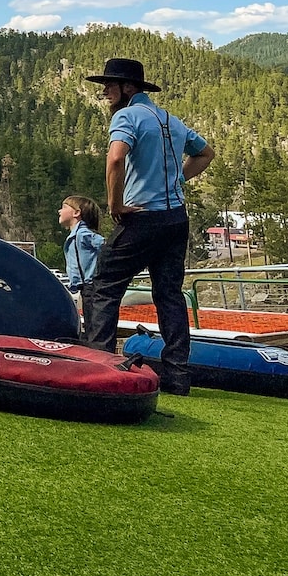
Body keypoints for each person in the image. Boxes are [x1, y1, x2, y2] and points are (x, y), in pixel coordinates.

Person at [81, 58, 214, 395]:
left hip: (141, 217)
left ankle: (98, 368)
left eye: (111, 84)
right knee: (169, 295)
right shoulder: (172, 120)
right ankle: (177, 376)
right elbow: (206, 154)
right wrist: (177, 180)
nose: (106, 91)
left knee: (104, 287)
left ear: (129, 87)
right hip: (176, 218)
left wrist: (115, 204)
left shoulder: (127, 116)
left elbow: (115, 157)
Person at [59, 194, 104, 333]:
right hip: (85, 287)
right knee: (90, 320)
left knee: (94, 322)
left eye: (64, 207)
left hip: (91, 285)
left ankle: (96, 347)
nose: (59, 211)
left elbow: (105, 245)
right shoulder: (76, 235)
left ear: (76, 213)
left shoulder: (83, 234)